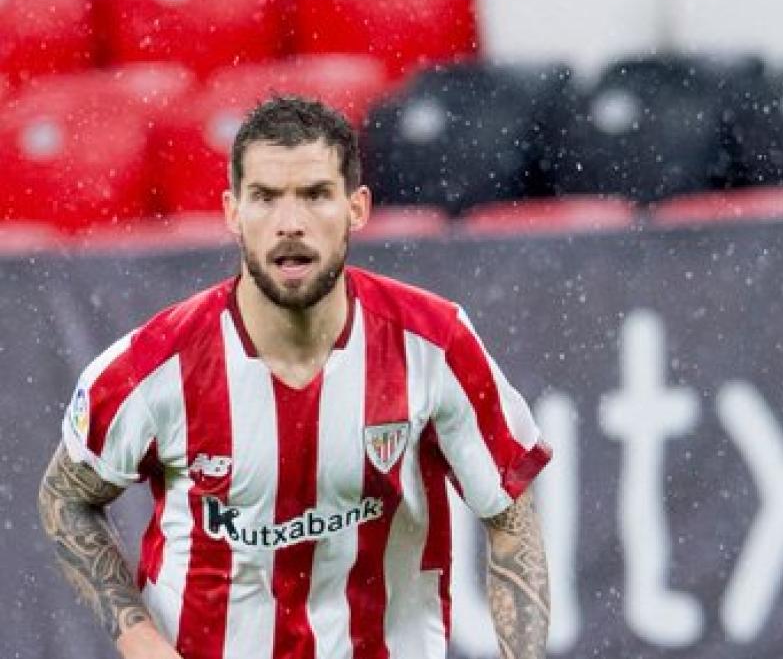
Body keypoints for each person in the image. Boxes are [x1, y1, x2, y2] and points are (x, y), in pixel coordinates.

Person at [36, 96, 552, 659]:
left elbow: (507, 511)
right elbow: (66, 497)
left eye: (314, 195)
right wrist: (139, 639)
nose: (289, 223)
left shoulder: (435, 342)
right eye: (265, 197)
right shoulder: (154, 365)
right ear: (233, 211)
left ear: (356, 208)